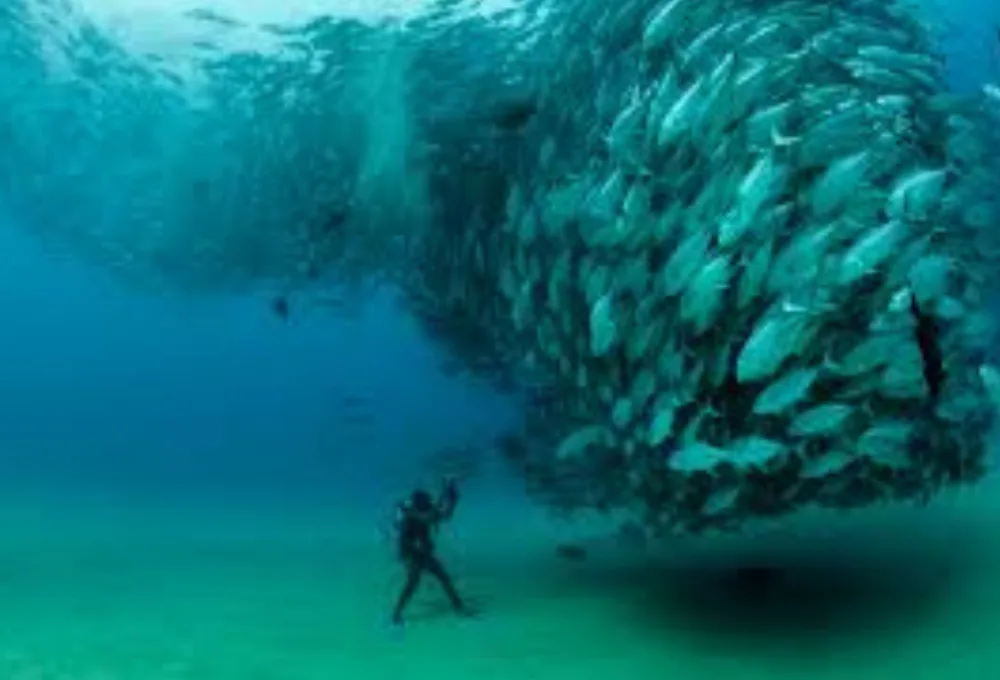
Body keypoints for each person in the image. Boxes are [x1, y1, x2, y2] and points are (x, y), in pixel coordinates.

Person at [390, 477, 472, 625]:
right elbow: (428, 518)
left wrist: (452, 498)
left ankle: (458, 606)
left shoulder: (422, 510)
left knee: (443, 578)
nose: (428, 505)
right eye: (426, 503)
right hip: (412, 555)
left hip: (423, 553)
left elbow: (444, 515)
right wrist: (444, 499)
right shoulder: (410, 513)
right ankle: (396, 613)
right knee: (412, 584)